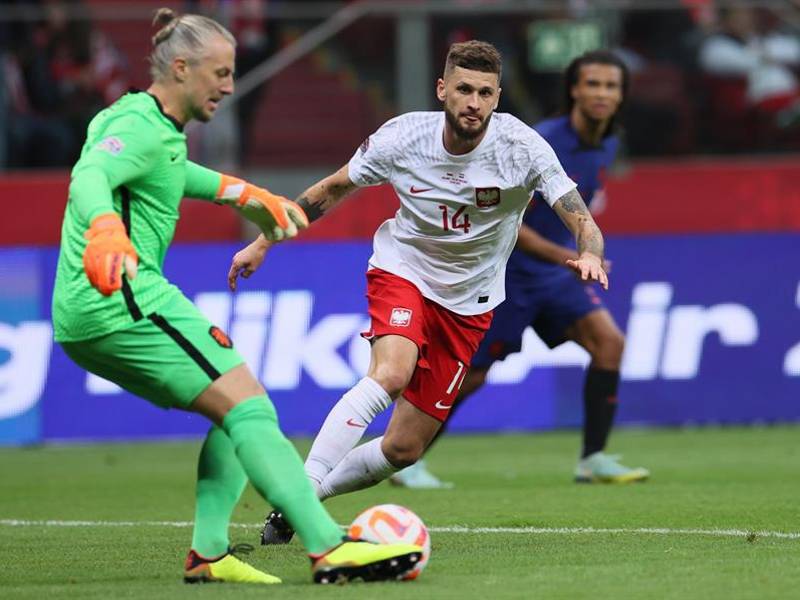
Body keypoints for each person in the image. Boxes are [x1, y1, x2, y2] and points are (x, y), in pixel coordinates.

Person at [51, 8, 421, 585]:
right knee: (252, 408)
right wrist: (103, 226)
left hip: (97, 309)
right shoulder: (140, 125)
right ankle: (329, 546)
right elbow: (91, 175)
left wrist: (243, 195)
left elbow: (170, 172)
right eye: (220, 73)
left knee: (233, 415)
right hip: (123, 299)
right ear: (181, 67)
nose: (229, 85)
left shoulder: (151, 126)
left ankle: (209, 554)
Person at [227, 40, 609, 544]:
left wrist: (590, 252)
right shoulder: (402, 138)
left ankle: (302, 500)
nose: (474, 102)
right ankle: (302, 489)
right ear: (442, 90)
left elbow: (581, 215)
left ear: (497, 98)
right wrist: (262, 242)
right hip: (403, 269)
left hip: (471, 301)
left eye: (486, 93)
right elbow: (330, 190)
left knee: (404, 449)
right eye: (464, 90)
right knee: (390, 373)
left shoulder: (522, 147)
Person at [392, 50, 650, 489]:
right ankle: (407, 456)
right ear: (574, 89)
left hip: (554, 275)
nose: (602, 94)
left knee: (609, 343)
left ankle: (593, 458)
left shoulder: (607, 142)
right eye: (593, 84)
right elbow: (513, 226)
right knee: (468, 374)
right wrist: (564, 256)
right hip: (511, 274)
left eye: (611, 86)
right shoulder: (540, 142)